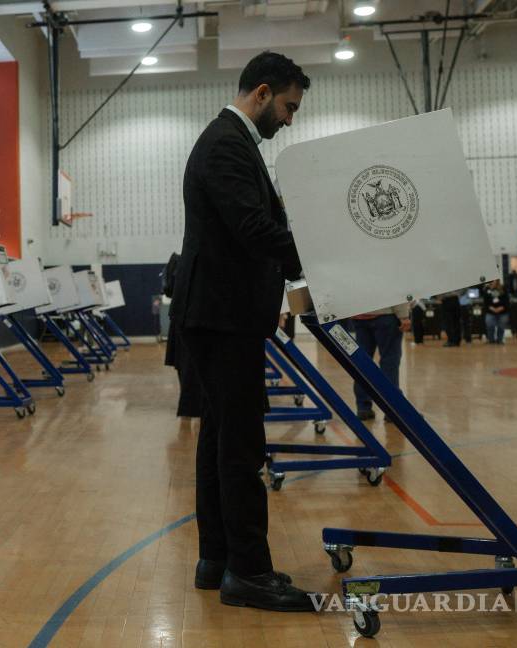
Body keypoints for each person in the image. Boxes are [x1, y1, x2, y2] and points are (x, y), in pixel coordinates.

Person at [171, 51, 313, 611]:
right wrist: (317, 254)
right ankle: (249, 572)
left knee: (219, 441)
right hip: (222, 317)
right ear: (261, 93)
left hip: (219, 315)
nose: (290, 119)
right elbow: (253, 227)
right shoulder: (227, 143)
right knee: (241, 447)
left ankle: (217, 559)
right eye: (287, 106)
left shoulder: (230, 142)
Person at [350, 305, 412, 421]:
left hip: (359, 316)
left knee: (363, 364)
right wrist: (403, 315)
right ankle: (392, 410)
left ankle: (363, 408)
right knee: (389, 362)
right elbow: (395, 289)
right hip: (385, 315)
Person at [163, 253, 202, 418]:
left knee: (185, 366)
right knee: (188, 366)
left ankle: (189, 406)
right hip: (190, 320)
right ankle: (190, 406)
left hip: (183, 319)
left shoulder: (180, 262)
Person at [483, 280, 510, 344]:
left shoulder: (503, 288)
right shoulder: (487, 289)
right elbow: (485, 302)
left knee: (501, 327)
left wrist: (501, 308)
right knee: (489, 325)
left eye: (493, 281)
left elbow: (507, 300)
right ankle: (491, 340)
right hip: (490, 311)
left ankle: (500, 340)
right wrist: (492, 308)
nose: (491, 282)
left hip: (503, 311)